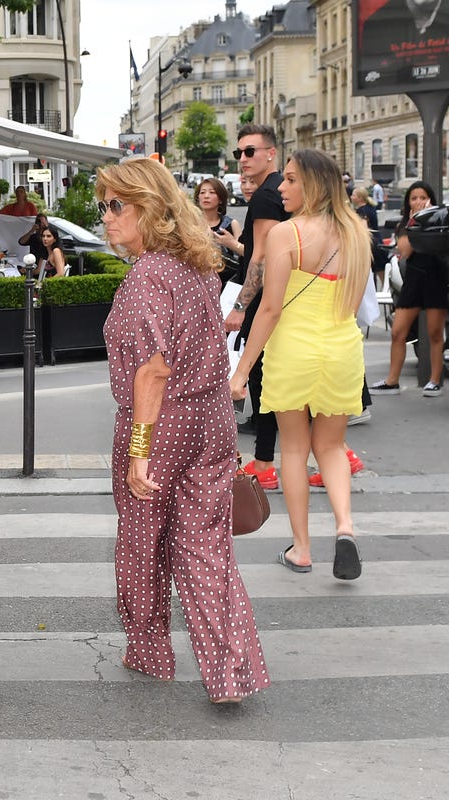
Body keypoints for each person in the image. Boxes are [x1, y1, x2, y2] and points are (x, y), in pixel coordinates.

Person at [98, 156, 269, 704]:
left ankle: (149, 652)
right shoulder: (198, 267)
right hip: (212, 420)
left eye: (115, 205)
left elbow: (152, 369)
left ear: (148, 208)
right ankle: (231, 672)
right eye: (102, 205)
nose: (105, 217)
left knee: (143, 543)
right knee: (206, 548)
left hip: (160, 424)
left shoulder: (147, 275)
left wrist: (139, 451)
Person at [230, 148, 372, 580]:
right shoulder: (357, 233)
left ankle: (303, 549)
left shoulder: (285, 234)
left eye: (290, 180)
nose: (282, 188)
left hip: (293, 348)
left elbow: (270, 308)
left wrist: (241, 371)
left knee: (293, 447)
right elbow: (355, 301)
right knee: (330, 447)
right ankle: (345, 527)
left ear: (311, 183)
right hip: (342, 347)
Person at [224, 124, 290, 491]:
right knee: (280, 380)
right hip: (292, 298)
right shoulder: (282, 190)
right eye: (239, 153)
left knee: (263, 378)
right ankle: (337, 452)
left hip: (270, 301)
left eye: (250, 151)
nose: (243, 159)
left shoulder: (267, 196)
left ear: (271, 153)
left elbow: (260, 260)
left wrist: (239, 307)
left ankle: (264, 463)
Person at [370, 180, 448, 397]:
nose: (419, 202)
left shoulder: (441, 220)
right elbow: (405, 250)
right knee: (398, 332)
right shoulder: (406, 224)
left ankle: (434, 381)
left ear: (431, 199)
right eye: (414, 198)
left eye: (423, 198)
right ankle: (392, 381)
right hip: (413, 280)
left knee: (434, 333)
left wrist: (430, 217)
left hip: (435, 278)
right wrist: (416, 220)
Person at [193, 177, 244, 282]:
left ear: (221, 199)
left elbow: (245, 252)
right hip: (197, 282)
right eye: (202, 193)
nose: (206, 196)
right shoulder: (191, 224)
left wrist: (231, 243)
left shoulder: (232, 224)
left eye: (212, 192)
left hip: (227, 282)